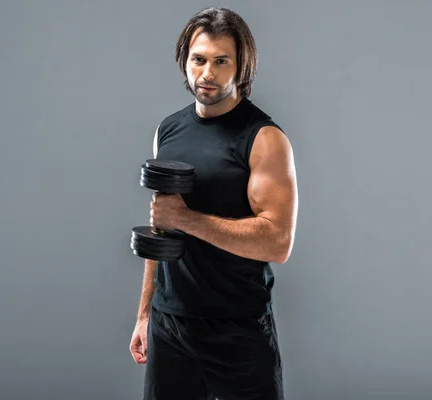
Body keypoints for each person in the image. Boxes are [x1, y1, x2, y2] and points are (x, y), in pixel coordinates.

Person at [129, 7, 298, 400]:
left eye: (221, 61)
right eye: (198, 59)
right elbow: (161, 227)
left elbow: (277, 242)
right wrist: (145, 314)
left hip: (237, 328)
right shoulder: (168, 130)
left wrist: (186, 219)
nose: (207, 73)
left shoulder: (264, 138)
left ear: (241, 67)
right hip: (170, 325)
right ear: (184, 61)